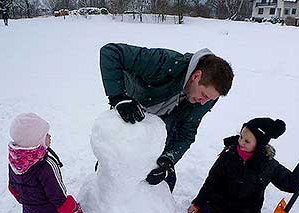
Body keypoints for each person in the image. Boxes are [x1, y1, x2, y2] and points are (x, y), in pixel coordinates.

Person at [99, 43, 234, 192]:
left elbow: (187, 132)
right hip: (129, 117)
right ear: (196, 76)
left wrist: (168, 160)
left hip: (160, 131)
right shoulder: (165, 63)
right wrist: (118, 98)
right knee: (115, 172)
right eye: (204, 95)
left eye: (210, 99)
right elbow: (111, 52)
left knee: (163, 181)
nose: (203, 102)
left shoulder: (207, 97)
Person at [187, 117, 299, 213]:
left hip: (244, 212)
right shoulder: (228, 155)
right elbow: (211, 181)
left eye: (247, 141)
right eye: (241, 137)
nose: (241, 142)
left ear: (260, 144)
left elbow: (289, 183)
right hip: (217, 203)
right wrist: (198, 202)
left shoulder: (268, 165)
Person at [7, 113, 89, 213]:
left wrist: (28, 203)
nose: (50, 136)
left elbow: (13, 187)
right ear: (36, 142)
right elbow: (57, 196)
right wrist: (74, 211)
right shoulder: (45, 165)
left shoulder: (16, 160)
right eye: (45, 135)